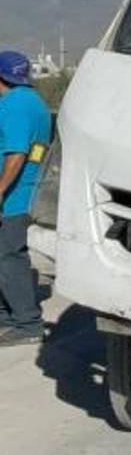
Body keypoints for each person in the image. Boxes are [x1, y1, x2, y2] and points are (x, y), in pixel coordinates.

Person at [0, 51, 52, 347]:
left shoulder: (12, 105)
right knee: (5, 257)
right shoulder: (35, 103)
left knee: (9, 258)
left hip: (12, 196)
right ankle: (8, 317)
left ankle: (27, 323)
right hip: (27, 190)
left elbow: (17, 152)